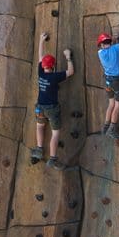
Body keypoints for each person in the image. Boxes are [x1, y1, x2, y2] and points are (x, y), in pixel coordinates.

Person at [33, 32, 74, 170]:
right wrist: (68, 57)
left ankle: (39, 149)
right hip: (52, 108)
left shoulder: (41, 73)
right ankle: (53, 158)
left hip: (40, 107)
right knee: (55, 133)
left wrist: (41, 40)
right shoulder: (55, 76)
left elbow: (40, 57)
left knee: (39, 126)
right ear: (53, 66)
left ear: (44, 66)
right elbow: (70, 72)